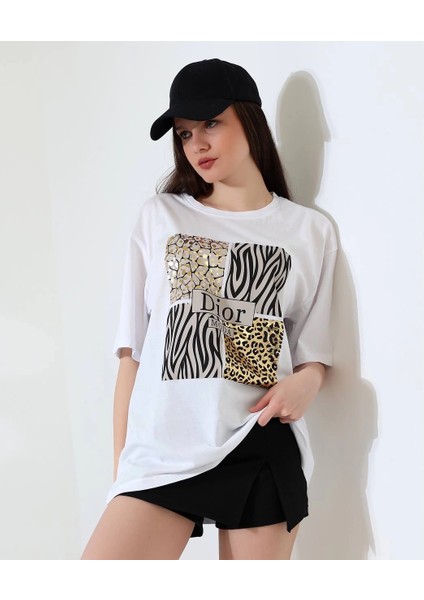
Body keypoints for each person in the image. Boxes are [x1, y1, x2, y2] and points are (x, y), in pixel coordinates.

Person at [80, 58, 338, 560]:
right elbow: (132, 354)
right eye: (184, 133)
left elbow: (313, 350)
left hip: (259, 441)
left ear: (249, 120)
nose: (196, 144)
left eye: (211, 124)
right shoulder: (162, 216)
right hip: (164, 450)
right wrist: (124, 474)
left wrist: (307, 382)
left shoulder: (309, 231)